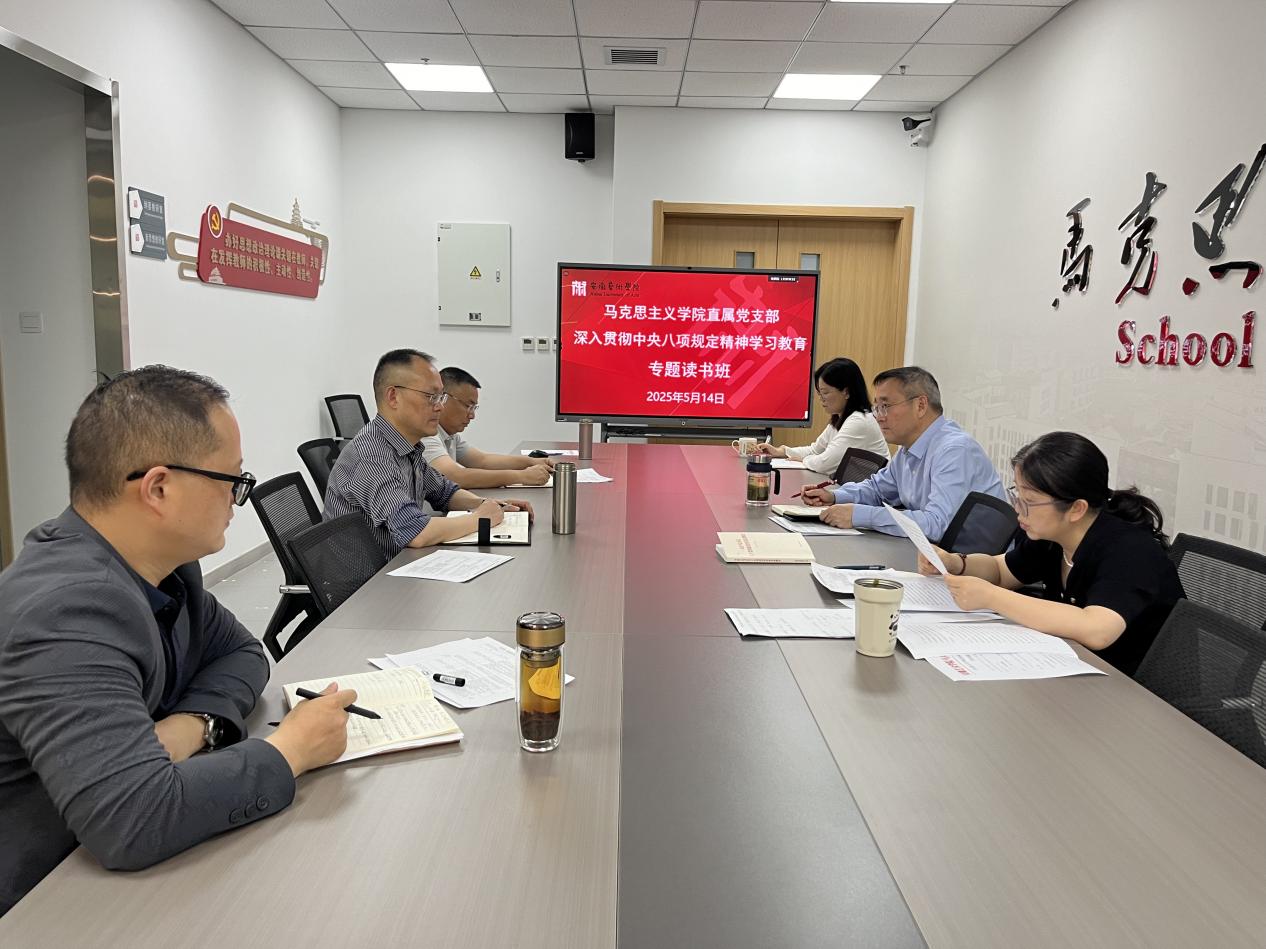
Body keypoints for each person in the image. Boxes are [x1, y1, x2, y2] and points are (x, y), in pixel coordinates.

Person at [0, 366, 355, 916]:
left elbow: (242, 653)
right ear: (159, 488)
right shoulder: (64, 611)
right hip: (44, 896)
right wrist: (291, 750)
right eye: (231, 481)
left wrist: (195, 724)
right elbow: (133, 817)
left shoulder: (165, 571)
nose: (237, 500)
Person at [918, 432, 1185, 676]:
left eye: (1029, 502)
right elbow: (1001, 571)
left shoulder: (1130, 551)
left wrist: (991, 597)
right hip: (1073, 666)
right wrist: (956, 563)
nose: (1018, 509)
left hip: (1135, 689)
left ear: (1076, 509)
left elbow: (1097, 629)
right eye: (1017, 495)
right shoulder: (1052, 536)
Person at [324, 349, 535, 558]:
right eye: (431, 397)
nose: (440, 407)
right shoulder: (372, 456)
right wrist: (480, 519)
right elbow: (416, 532)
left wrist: (488, 505)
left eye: (441, 397)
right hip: (373, 578)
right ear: (393, 397)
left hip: (399, 563)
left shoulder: (409, 447)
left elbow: (444, 493)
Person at [802, 366, 1005, 542]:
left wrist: (859, 515)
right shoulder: (909, 449)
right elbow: (877, 490)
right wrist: (834, 496)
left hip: (972, 564)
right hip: (933, 555)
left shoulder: (954, 451)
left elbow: (937, 524)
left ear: (921, 405)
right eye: (876, 408)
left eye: (885, 406)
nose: (878, 417)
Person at [420, 366, 555, 488]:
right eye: (468, 406)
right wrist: (520, 476)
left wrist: (531, 462)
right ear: (444, 398)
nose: (472, 416)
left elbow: (482, 460)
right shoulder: (425, 435)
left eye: (474, 408)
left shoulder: (450, 435)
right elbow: (455, 476)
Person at [755, 357, 888, 475]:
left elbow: (825, 463)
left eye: (825, 393)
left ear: (846, 392)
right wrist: (782, 451)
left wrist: (804, 459)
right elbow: (816, 450)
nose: (821, 399)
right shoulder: (840, 418)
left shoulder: (859, 421)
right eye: (819, 393)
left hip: (872, 493)